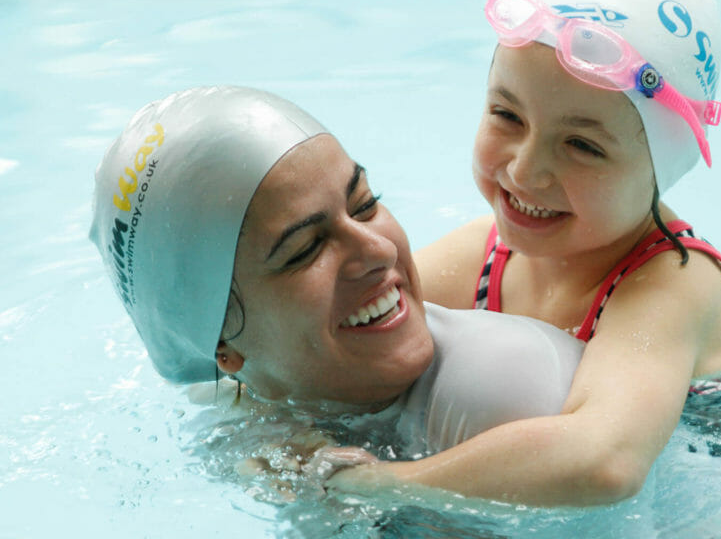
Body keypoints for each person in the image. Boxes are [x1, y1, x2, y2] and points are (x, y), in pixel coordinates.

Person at [325, 0, 721, 508]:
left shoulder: (674, 284)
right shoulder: (485, 252)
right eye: (508, 116)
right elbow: (334, 333)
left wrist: (382, 483)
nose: (525, 171)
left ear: (660, 168)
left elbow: (603, 461)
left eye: (583, 145)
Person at [89, 85, 584, 464]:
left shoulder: (508, 396)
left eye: (365, 205)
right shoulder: (237, 427)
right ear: (224, 348)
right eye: (305, 249)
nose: (378, 249)